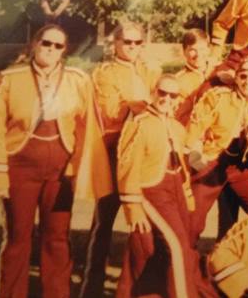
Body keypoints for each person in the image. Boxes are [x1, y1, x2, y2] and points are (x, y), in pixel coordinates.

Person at [0, 24, 112, 298]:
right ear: (34, 44)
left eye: (58, 46)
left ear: (64, 50)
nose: (51, 50)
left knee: (57, 239)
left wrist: (78, 169)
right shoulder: (9, 78)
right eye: (46, 43)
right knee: (18, 239)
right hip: (19, 168)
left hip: (60, 172)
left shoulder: (77, 80)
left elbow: (87, 127)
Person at [80, 21, 161, 298]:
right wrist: (146, 105)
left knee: (146, 221)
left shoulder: (151, 71)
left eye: (138, 43)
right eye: (127, 42)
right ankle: (91, 287)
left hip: (147, 153)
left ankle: (141, 286)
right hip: (115, 153)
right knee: (103, 223)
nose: (133, 47)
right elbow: (113, 111)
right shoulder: (105, 73)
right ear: (115, 43)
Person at [115, 75, 202, 298]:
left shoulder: (176, 127)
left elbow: (183, 165)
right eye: (162, 93)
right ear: (154, 92)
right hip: (151, 190)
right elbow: (127, 166)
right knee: (177, 246)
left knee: (152, 249)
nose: (166, 98)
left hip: (175, 191)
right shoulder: (140, 123)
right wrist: (133, 207)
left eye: (172, 95)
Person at [185, 57, 248, 244]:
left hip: (237, 167)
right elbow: (196, 124)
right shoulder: (218, 97)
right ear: (236, 78)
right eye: (243, 76)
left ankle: (235, 250)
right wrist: (194, 152)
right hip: (213, 161)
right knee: (194, 221)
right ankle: (185, 262)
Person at [174, 29, 213, 126]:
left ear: (209, 49)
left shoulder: (218, 71)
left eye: (202, 49)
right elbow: (179, 117)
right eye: (192, 50)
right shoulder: (178, 81)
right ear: (184, 51)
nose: (198, 54)